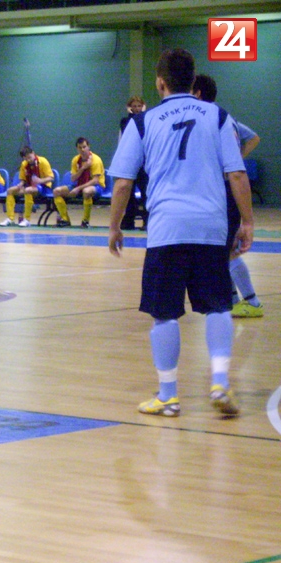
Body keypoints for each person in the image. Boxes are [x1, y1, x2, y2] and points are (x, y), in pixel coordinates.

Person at [108, 48, 253, 417]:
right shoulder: (218, 116)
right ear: (192, 81)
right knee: (218, 306)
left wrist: (114, 226)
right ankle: (219, 381)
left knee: (165, 314)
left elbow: (123, 183)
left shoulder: (142, 122)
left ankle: (168, 396)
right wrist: (248, 222)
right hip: (210, 227)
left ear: (160, 83)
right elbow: (237, 174)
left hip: (166, 228)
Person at [193, 73, 264, 319]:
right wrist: (236, 157)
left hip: (223, 191)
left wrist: (233, 162)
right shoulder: (225, 116)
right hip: (222, 191)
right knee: (222, 251)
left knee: (228, 251)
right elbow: (253, 137)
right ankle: (233, 300)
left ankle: (252, 302)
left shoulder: (209, 118)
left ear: (198, 94)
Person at [51, 137, 105, 228]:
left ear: (88, 147)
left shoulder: (96, 160)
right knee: (56, 191)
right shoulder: (75, 160)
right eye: (80, 147)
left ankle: (85, 221)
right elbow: (73, 179)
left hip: (96, 187)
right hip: (78, 184)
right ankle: (65, 220)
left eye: (84, 147)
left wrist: (78, 189)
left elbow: (95, 181)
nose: (82, 150)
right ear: (77, 149)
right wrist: (83, 168)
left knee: (86, 191)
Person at [1, 146, 54, 227]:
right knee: (10, 191)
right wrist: (20, 184)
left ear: (33, 153)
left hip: (44, 187)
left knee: (28, 190)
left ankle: (27, 220)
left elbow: (51, 178)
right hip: (29, 187)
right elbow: (23, 179)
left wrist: (40, 181)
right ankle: (10, 219)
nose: (28, 160)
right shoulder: (24, 164)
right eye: (26, 158)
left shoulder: (43, 161)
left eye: (29, 157)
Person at [119, 96, 149, 230]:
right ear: (130, 108)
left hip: (143, 163)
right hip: (130, 162)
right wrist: (131, 115)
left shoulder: (147, 120)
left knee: (145, 193)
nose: (137, 109)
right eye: (134, 106)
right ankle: (129, 220)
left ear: (143, 107)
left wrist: (143, 113)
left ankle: (147, 221)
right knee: (129, 193)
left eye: (139, 106)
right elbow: (126, 133)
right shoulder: (125, 121)